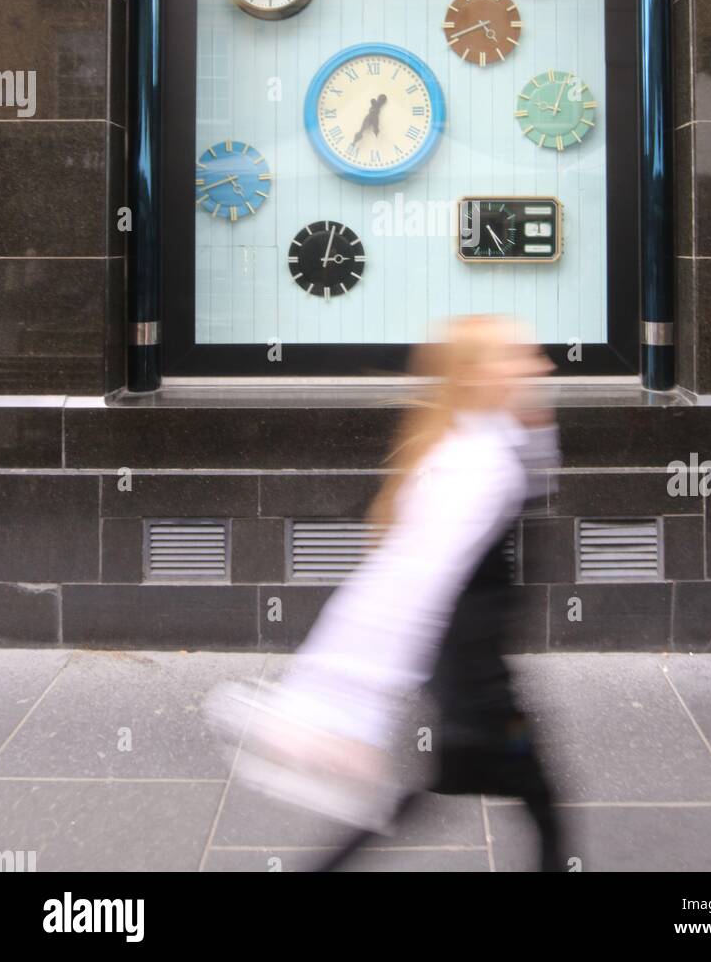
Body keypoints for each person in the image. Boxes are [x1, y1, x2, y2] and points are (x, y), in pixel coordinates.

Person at [205, 315, 564, 872]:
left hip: (469, 676)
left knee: (451, 792)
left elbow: (527, 473)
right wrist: (348, 711)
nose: (539, 364)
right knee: (531, 793)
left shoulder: (475, 437)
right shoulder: (477, 467)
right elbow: (410, 587)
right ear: (475, 375)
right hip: (478, 688)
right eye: (517, 356)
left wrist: (539, 428)